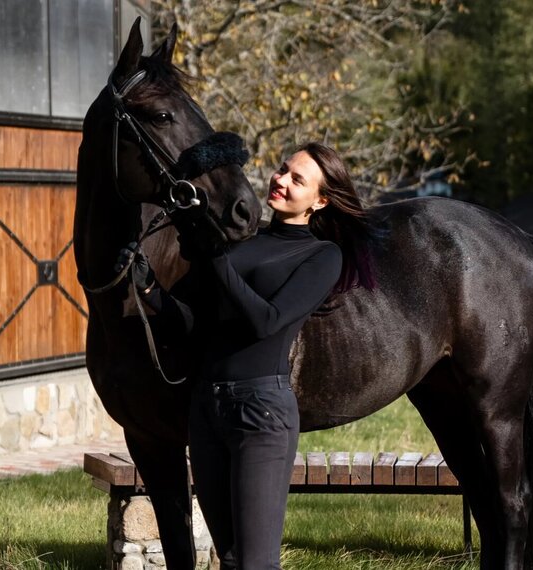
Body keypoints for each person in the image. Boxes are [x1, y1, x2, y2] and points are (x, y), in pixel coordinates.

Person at [121, 142, 377, 570]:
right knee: (231, 557)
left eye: (298, 179)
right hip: (207, 411)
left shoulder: (320, 256)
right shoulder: (246, 244)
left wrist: (217, 259)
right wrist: (149, 289)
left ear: (320, 201)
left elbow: (267, 321)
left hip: (261, 415)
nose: (281, 181)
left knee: (256, 563)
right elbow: (194, 330)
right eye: (282, 170)